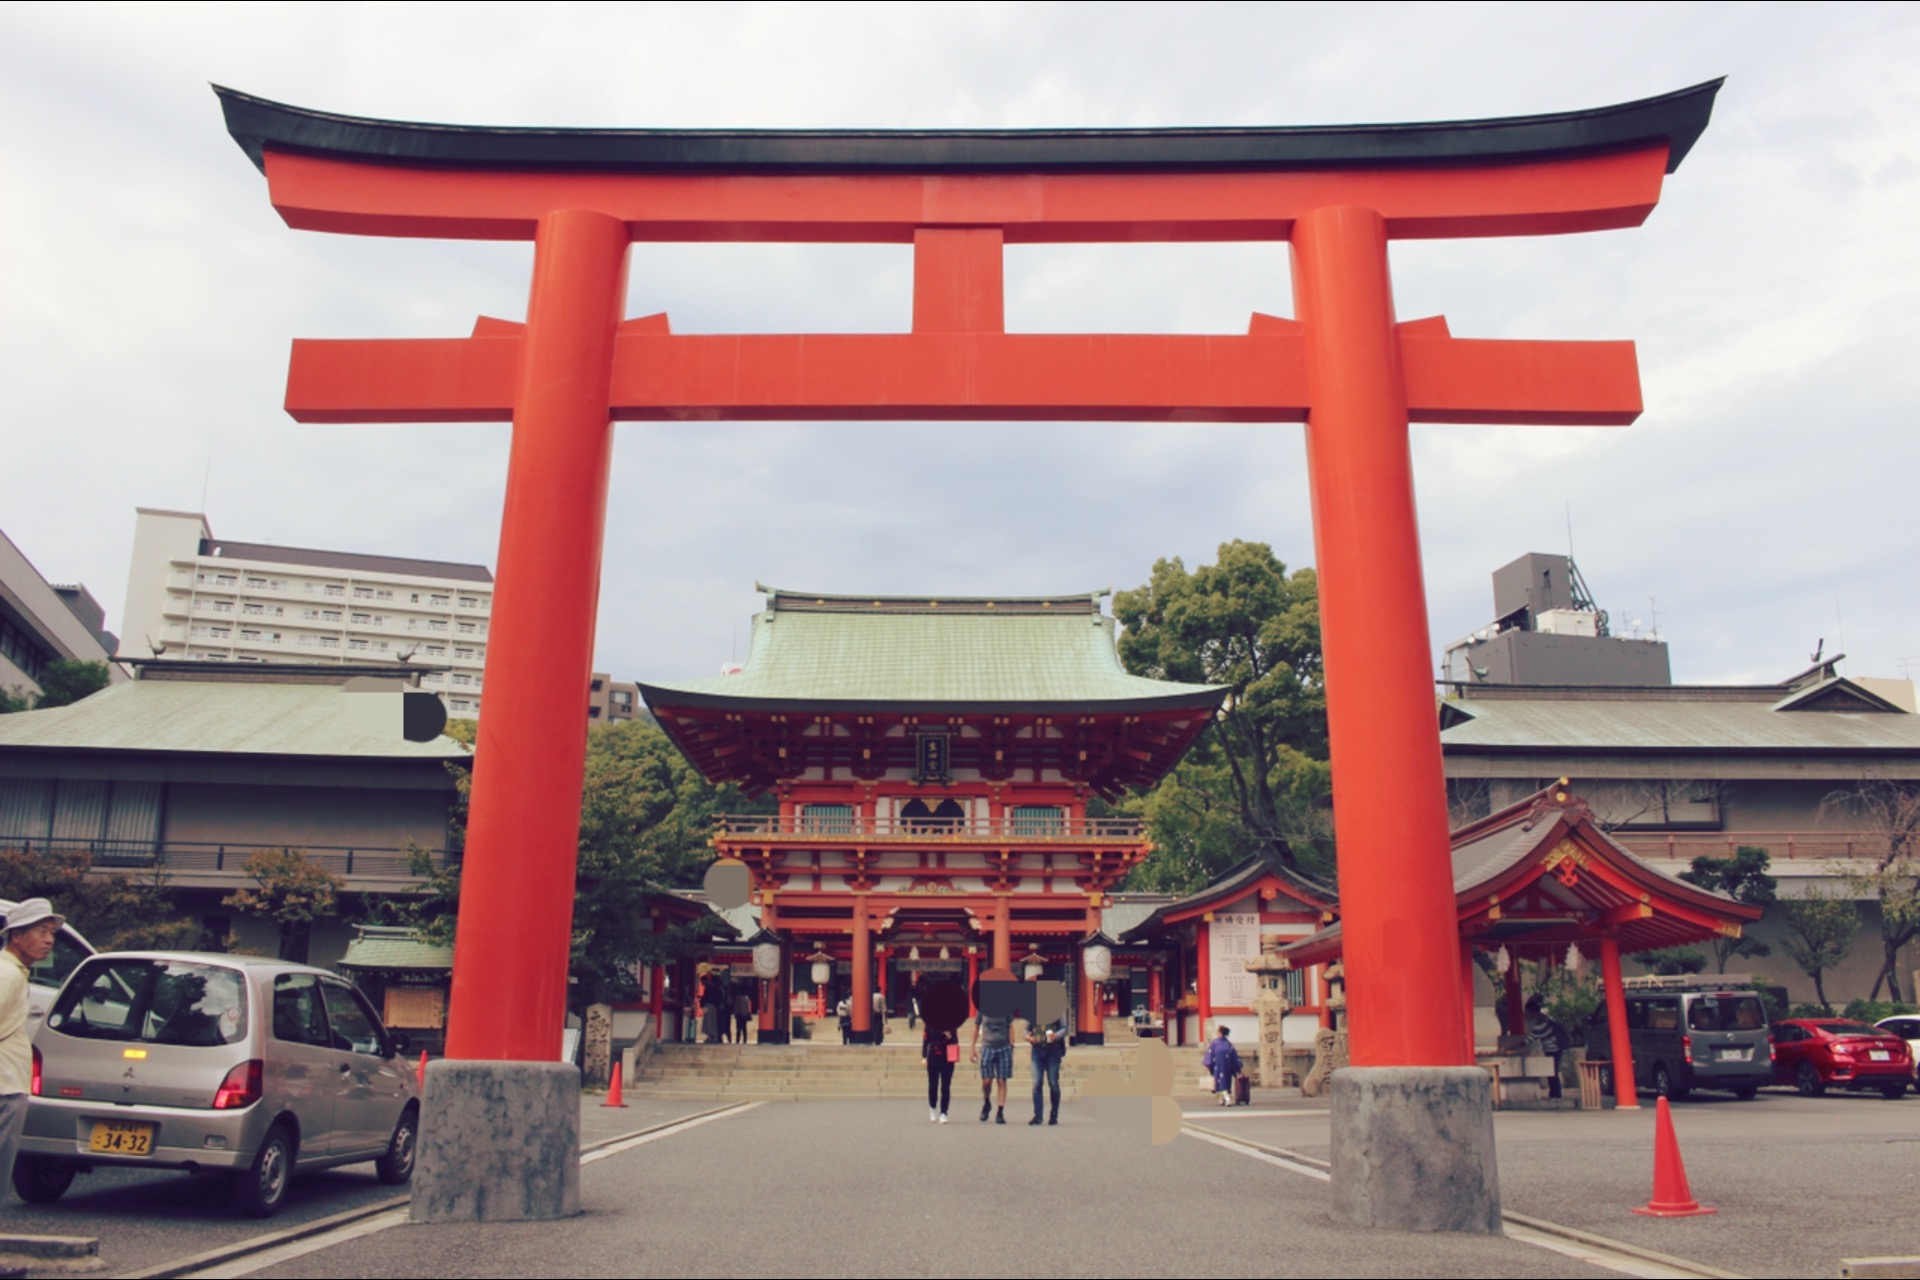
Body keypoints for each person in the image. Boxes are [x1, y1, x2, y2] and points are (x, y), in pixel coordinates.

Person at [0, 899, 60, 1186]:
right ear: (16, 936)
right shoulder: (7, 973)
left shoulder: (14, 972)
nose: (49, 940)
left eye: (51, 933)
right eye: (41, 931)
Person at [969, 972, 1016, 1124]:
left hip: (1003, 1047)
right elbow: (976, 1027)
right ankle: (987, 1101)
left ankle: (1000, 1111)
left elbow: (1011, 1025)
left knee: (1002, 1080)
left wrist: (1012, 1042)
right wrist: (972, 1048)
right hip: (987, 1047)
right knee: (987, 1081)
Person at [1027, 1010, 1067, 1126]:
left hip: (1053, 1050)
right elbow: (1027, 1029)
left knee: (1053, 1083)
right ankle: (1038, 1115)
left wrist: (1056, 1036)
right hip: (1037, 1050)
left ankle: (1054, 1113)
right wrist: (1028, 1037)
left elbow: (1064, 1028)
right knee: (1037, 1083)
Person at [1525, 994, 1567, 1100]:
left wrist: (1512, 1047)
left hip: (1553, 1049)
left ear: (1533, 1012)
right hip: (1555, 1048)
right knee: (1552, 1071)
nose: (1527, 1015)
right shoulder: (1548, 1019)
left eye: (1528, 1013)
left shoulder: (1541, 1024)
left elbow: (1530, 1039)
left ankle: (1555, 1094)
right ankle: (1554, 1092)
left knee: (1552, 1071)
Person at [1202, 1024, 1242, 1107]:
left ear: (1220, 1032)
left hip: (1219, 1067)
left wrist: (1208, 1064)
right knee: (1225, 1082)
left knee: (1220, 1083)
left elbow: (1210, 1054)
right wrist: (1238, 1066)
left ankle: (1227, 1098)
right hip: (1226, 1067)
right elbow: (1234, 1056)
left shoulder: (1215, 1043)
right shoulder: (1228, 1044)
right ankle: (1222, 1098)